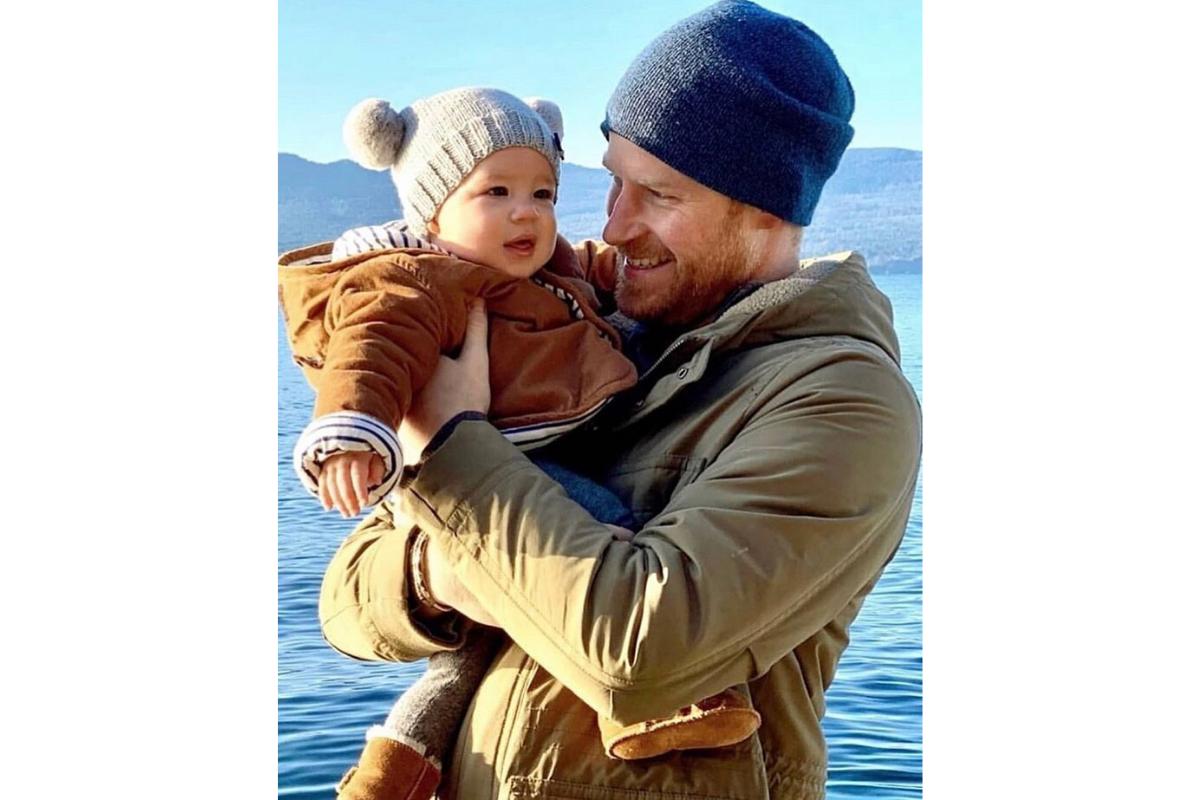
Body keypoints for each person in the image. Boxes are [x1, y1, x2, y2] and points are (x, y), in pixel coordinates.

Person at [318, 1, 922, 797]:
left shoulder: (843, 400)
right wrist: (437, 577)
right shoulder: (585, 329)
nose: (613, 226)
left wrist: (449, 440)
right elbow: (345, 601)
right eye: (612, 181)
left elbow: (641, 655)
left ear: (766, 209)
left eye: (659, 195)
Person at [279, 86, 765, 800]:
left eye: (543, 194)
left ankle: (396, 769)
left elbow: (597, 273)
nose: (526, 212)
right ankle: (676, 698)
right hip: (498, 462)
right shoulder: (412, 283)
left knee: (466, 655)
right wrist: (352, 434)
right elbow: (370, 352)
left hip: (501, 465)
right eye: (496, 192)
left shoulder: (539, 269)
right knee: (610, 528)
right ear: (432, 210)